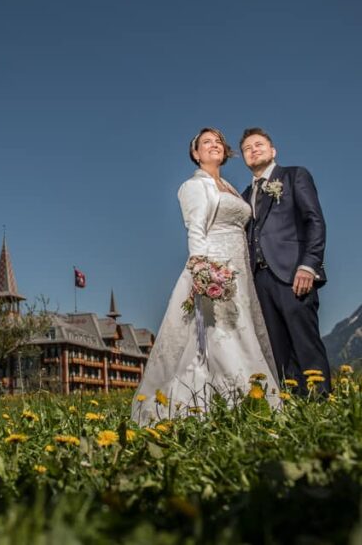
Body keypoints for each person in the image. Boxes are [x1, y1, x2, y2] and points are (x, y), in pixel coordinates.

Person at [131, 128, 280, 426]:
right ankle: (221, 401)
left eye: (218, 142)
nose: (214, 146)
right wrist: (201, 268)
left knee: (242, 328)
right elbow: (195, 228)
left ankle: (250, 397)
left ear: (225, 152)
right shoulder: (193, 186)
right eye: (206, 143)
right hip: (215, 265)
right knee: (217, 333)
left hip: (240, 266)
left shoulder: (229, 187)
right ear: (196, 154)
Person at [240, 128, 332, 395]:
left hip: (293, 273)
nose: (253, 150)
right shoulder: (245, 196)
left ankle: (322, 403)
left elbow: (314, 221)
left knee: (306, 343)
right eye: (247, 148)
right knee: (277, 350)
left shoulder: (294, 176)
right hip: (260, 280)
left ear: (273, 151)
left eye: (259, 144)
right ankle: (293, 407)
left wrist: (309, 265)